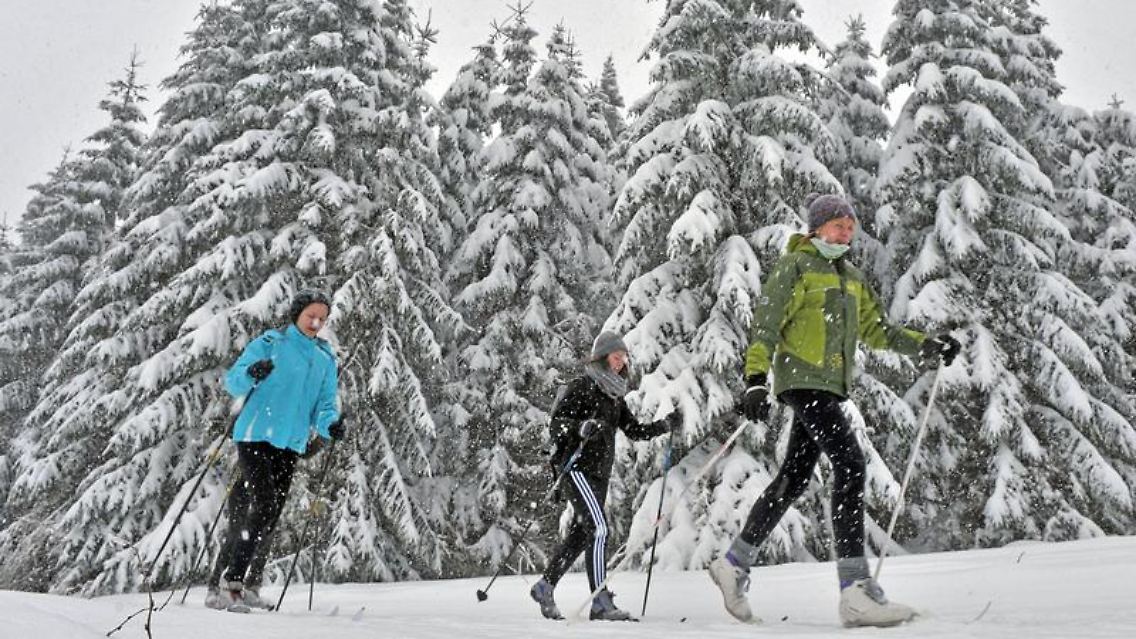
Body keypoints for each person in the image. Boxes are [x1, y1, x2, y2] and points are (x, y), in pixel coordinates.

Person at [708, 194, 960, 628]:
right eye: (837, 225)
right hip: (802, 381)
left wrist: (925, 346)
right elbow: (766, 326)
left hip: (829, 387)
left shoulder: (852, 278)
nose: (845, 232)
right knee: (850, 463)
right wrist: (753, 379)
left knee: (792, 480)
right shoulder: (796, 267)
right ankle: (854, 590)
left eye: (850, 226)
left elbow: (877, 331)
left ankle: (735, 562)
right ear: (816, 228)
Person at [205, 289, 345, 612]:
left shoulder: (325, 359)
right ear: (296, 314)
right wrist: (251, 374)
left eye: (322, 318)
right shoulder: (272, 344)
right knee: (264, 505)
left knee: (267, 515)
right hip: (255, 436)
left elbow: (324, 406)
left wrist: (331, 425)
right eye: (310, 315)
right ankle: (232, 584)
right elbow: (234, 381)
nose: (316, 322)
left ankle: (247, 584)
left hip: (289, 444)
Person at [528, 331, 680, 622]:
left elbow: (634, 431)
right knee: (598, 529)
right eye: (616, 356)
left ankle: (544, 586)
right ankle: (600, 601)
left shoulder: (615, 397)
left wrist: (665, 425)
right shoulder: (582, 386)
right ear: (602, 357)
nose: (621, 362)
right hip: (575, 468)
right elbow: (557, 424)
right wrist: (581, 427)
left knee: (580, 535)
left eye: (623, 358)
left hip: (598, 474)